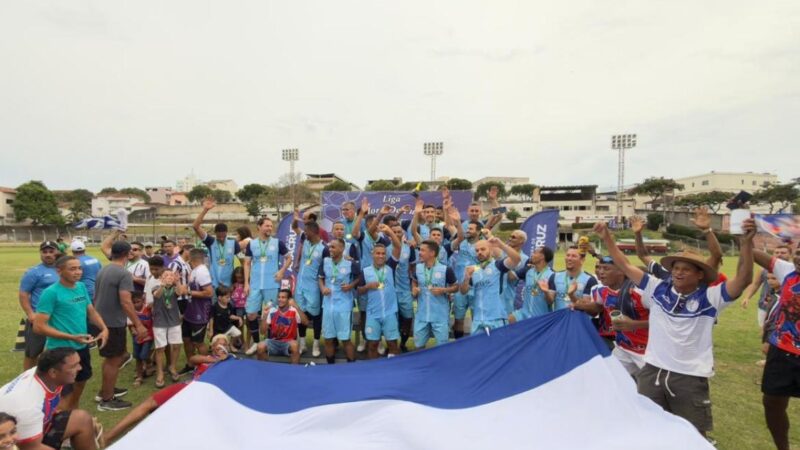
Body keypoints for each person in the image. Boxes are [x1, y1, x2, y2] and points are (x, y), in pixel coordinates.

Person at [595, 219, 754, 438]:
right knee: (650, 427)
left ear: (699, 275)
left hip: (689, 376)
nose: (678, 273)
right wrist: (607, 238)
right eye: (676, 268)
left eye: (686, 269)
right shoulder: (657, 288)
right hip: (652, 371)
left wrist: (746, 244)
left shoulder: (711, 297)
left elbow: (744, 279)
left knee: (693, 434)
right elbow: (624, 264)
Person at [103, 335, 233, 445]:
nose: (221, 347)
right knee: (150, 403)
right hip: (189, 387)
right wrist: (213, 360)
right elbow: (193, 359)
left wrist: (224, 360)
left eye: (224, 345)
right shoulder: (205, 359)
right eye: (218, 344)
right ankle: (107, 437)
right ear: (212, 346)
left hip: (208, 395)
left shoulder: (230, 361)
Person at [32, 255, 109, 411]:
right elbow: (38, 327)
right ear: (59, 271)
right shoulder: (51, 293)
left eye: (79, 268)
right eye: (72, 268)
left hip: (81, 347)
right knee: (62, 392)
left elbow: (91, 311)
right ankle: (60, 420)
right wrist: (71, 337)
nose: (78, 272)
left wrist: (104, 328)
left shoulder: (80, 287)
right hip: (60, 350)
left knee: (81, 380)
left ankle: (72, 413)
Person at [0, 348, 103, 450]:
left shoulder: (46, 377)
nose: (80, 368)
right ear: (53, 372)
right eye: (73, 366)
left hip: (23, 431)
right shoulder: (29, 405)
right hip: (15, 442)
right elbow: (31, 448)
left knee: (82, 419)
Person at [753, 243, 800, 450]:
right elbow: (753, 253)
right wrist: (745, 236)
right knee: (772, 402)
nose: (799, 258)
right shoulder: (787, 271)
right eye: (798, 253)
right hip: (782, 351)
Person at [94, 240, 147, 411]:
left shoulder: (104, 269)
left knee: (113, 358)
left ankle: (105, 391)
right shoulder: (123, 273)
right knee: (114, 360)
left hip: (102, 320)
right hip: (112, 323)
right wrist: (138, 324)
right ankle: (107, 400)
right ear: (128, 254)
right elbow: (126, 301)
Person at [589, 256, 650, 374]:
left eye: (606, 268)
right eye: (599, 268)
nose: (600, 272)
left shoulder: (641, 292)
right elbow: (597, 307)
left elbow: (666, 320)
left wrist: (634, 325)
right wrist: (577, 305)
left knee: (652, 391)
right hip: (622, 349)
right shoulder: (603, 291)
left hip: (647, 352)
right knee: (610, 380)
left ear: (622, 271)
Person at [243, 217, 290, 355]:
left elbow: (289, 258)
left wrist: (282, 271)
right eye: (267, 226)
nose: (270, 228)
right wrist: (246, 283)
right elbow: (246, 263)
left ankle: (269, 343)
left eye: (271, 226)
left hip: (272, 284)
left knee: (272, 314)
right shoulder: (251, 244)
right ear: (259, 227)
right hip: (255, 285)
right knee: (251, 314)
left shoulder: (277, 243)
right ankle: (257, 342)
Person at [357, 224, 404, 359]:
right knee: (372, 344)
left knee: (392, 344)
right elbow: (359, 291)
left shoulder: (390, 266)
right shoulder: (365, 271)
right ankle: (374, 371)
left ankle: (393, 370)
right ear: (372, 254)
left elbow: (398, 247)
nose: (380, 256)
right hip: (373, 313)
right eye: (378, 253)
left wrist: (389, 231)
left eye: (383, 253)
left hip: (390, 313)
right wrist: (367, 287)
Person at [459, 236, 521, 334]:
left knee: (498, 349)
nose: (479, 252)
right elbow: (463, 291)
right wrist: (466, 278)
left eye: (483, 249)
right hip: (478, 319)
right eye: (477, 250)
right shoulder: (474, 269)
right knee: (477, 349)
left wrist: (501, 245)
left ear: (491, 250)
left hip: (496, 318)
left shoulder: (498, 265)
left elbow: (516, 259)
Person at [319, 238, 361, 363]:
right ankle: (330, 367)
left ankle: (351, 368)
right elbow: (320, 278)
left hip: (343, 307)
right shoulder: (325, 261)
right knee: (328, 339)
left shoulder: (350, 264)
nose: (330, 249)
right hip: (327, 306)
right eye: (330, 247)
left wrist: (351, 286)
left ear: (342, 249)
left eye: (333, 247)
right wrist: (322, 288)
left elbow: (360, 277)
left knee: (345, 339)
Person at [19, 241, 59, 369]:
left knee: (57, 352)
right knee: (33, 353)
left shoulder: (63, 269)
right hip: (40, 318)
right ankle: (27, 383)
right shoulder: (34, 272)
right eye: (44, 252)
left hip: (58, 318)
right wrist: (30, 313)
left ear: (57, 252)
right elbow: (23, 294)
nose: (48, 254)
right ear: (40, 253)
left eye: (51, 251)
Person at [411, 240, 458, 348]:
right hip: (422, 315)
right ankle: (421, 365)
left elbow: (456, 287)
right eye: (419, 250)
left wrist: (444, 290)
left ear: (432, 253)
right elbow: (414, 280)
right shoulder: (418, 268)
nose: (419, 253)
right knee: (419, 346)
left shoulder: (446, 269)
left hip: (440, 316)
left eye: (422, 250)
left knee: (443, 348)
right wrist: (414, 289)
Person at [291, 219, 327, 357]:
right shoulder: (305, 241)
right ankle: (303, 343)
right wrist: (296, 219)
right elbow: (295, 228)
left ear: (313, 232)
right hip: (300, 286)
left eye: (306, 231)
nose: (304, 233)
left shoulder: (324, 248)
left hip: (313, 288)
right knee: (301, 315)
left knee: (316, 316)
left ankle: (316, 345)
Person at [192, 196, 240, 288]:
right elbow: (195, 226)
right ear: (215, 234)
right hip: (214, 283)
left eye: (223, 236)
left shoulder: (233, 244)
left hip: (229, 285)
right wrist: (205, 210)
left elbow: (241, 260)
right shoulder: (210, 242)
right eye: (219, 236)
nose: (221, 238)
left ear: (227, 233)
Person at [150, 261, 182, 388]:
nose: (169, 277)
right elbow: (156, 295)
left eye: (171, 275)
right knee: (160, 348)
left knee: (176, 345)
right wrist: (162, 285)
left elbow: (180, 293)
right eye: (166, 275)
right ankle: (160, 373)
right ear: (161, 277)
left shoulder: (174, 288)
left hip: (174, 321)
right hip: (160, 322)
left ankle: (172, 367)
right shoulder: (156, 287)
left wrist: (178, 281)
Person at [180, 248, 214, 365]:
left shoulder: (202, 271)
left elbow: (209, 292)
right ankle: (191, 364)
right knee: (186, 339)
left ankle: (204, 366)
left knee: (198, 342)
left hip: (200, 313)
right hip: (190, 311)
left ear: (190, 257)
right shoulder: (195, 270)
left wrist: (188, 293)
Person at [257, 289, 308, 364]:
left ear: (289, 300)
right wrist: (264, 316)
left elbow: (306, 322)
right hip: (273, 342)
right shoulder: (272, 311)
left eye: (283, 297)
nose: (280, 299)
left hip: (288, 342)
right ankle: (264, 370)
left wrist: (296, 306)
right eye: (279, 297)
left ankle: (294, 372)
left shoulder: (294, 310)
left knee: (295, 345)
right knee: (260, 346)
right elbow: (262, 332)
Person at [541, 246, 597, 311]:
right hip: (560, 320)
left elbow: (587, 307)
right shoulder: (555, 276)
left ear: (582, 260)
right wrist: (545, 292)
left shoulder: (589, 280)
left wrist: (572, 295)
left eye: (574, 256)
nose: (569, 258)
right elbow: (549, 302)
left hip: (577, 320)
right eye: (568, 255)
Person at [508, 246, 555, 322]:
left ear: (542, 256)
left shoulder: (552, 275)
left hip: (541, 318)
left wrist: (546, 291)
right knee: (507, 321)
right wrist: (505, 263)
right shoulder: (528, 270)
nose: (532, 255)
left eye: (535, 252)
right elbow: (511, 277)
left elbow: (550, 301)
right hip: (523, 314)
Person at [129, 292, 154, 387]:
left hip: (148, 337)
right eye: (134, 302)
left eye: (138, 302)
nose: (136, 304)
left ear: (143, 301)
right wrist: (134, 330)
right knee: (137, 356)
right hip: (137, 337)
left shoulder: (148, 308)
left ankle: (148, 364)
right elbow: (131, 325)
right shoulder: (131, 311)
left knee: (143, 355)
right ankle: (140, 376)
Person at [208, 286, 243, 351]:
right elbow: (211, 318)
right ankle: (215, 345)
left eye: (229, 297)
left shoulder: (229, 305)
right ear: (219, 298)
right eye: (227, 297)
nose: (229, 299)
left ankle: (230, 344)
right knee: (217, 347)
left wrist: (238, 318)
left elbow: (230, 315)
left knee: (238, 333)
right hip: (218, 330)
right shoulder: (214, 307)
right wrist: (211, 330)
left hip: (228, 327)